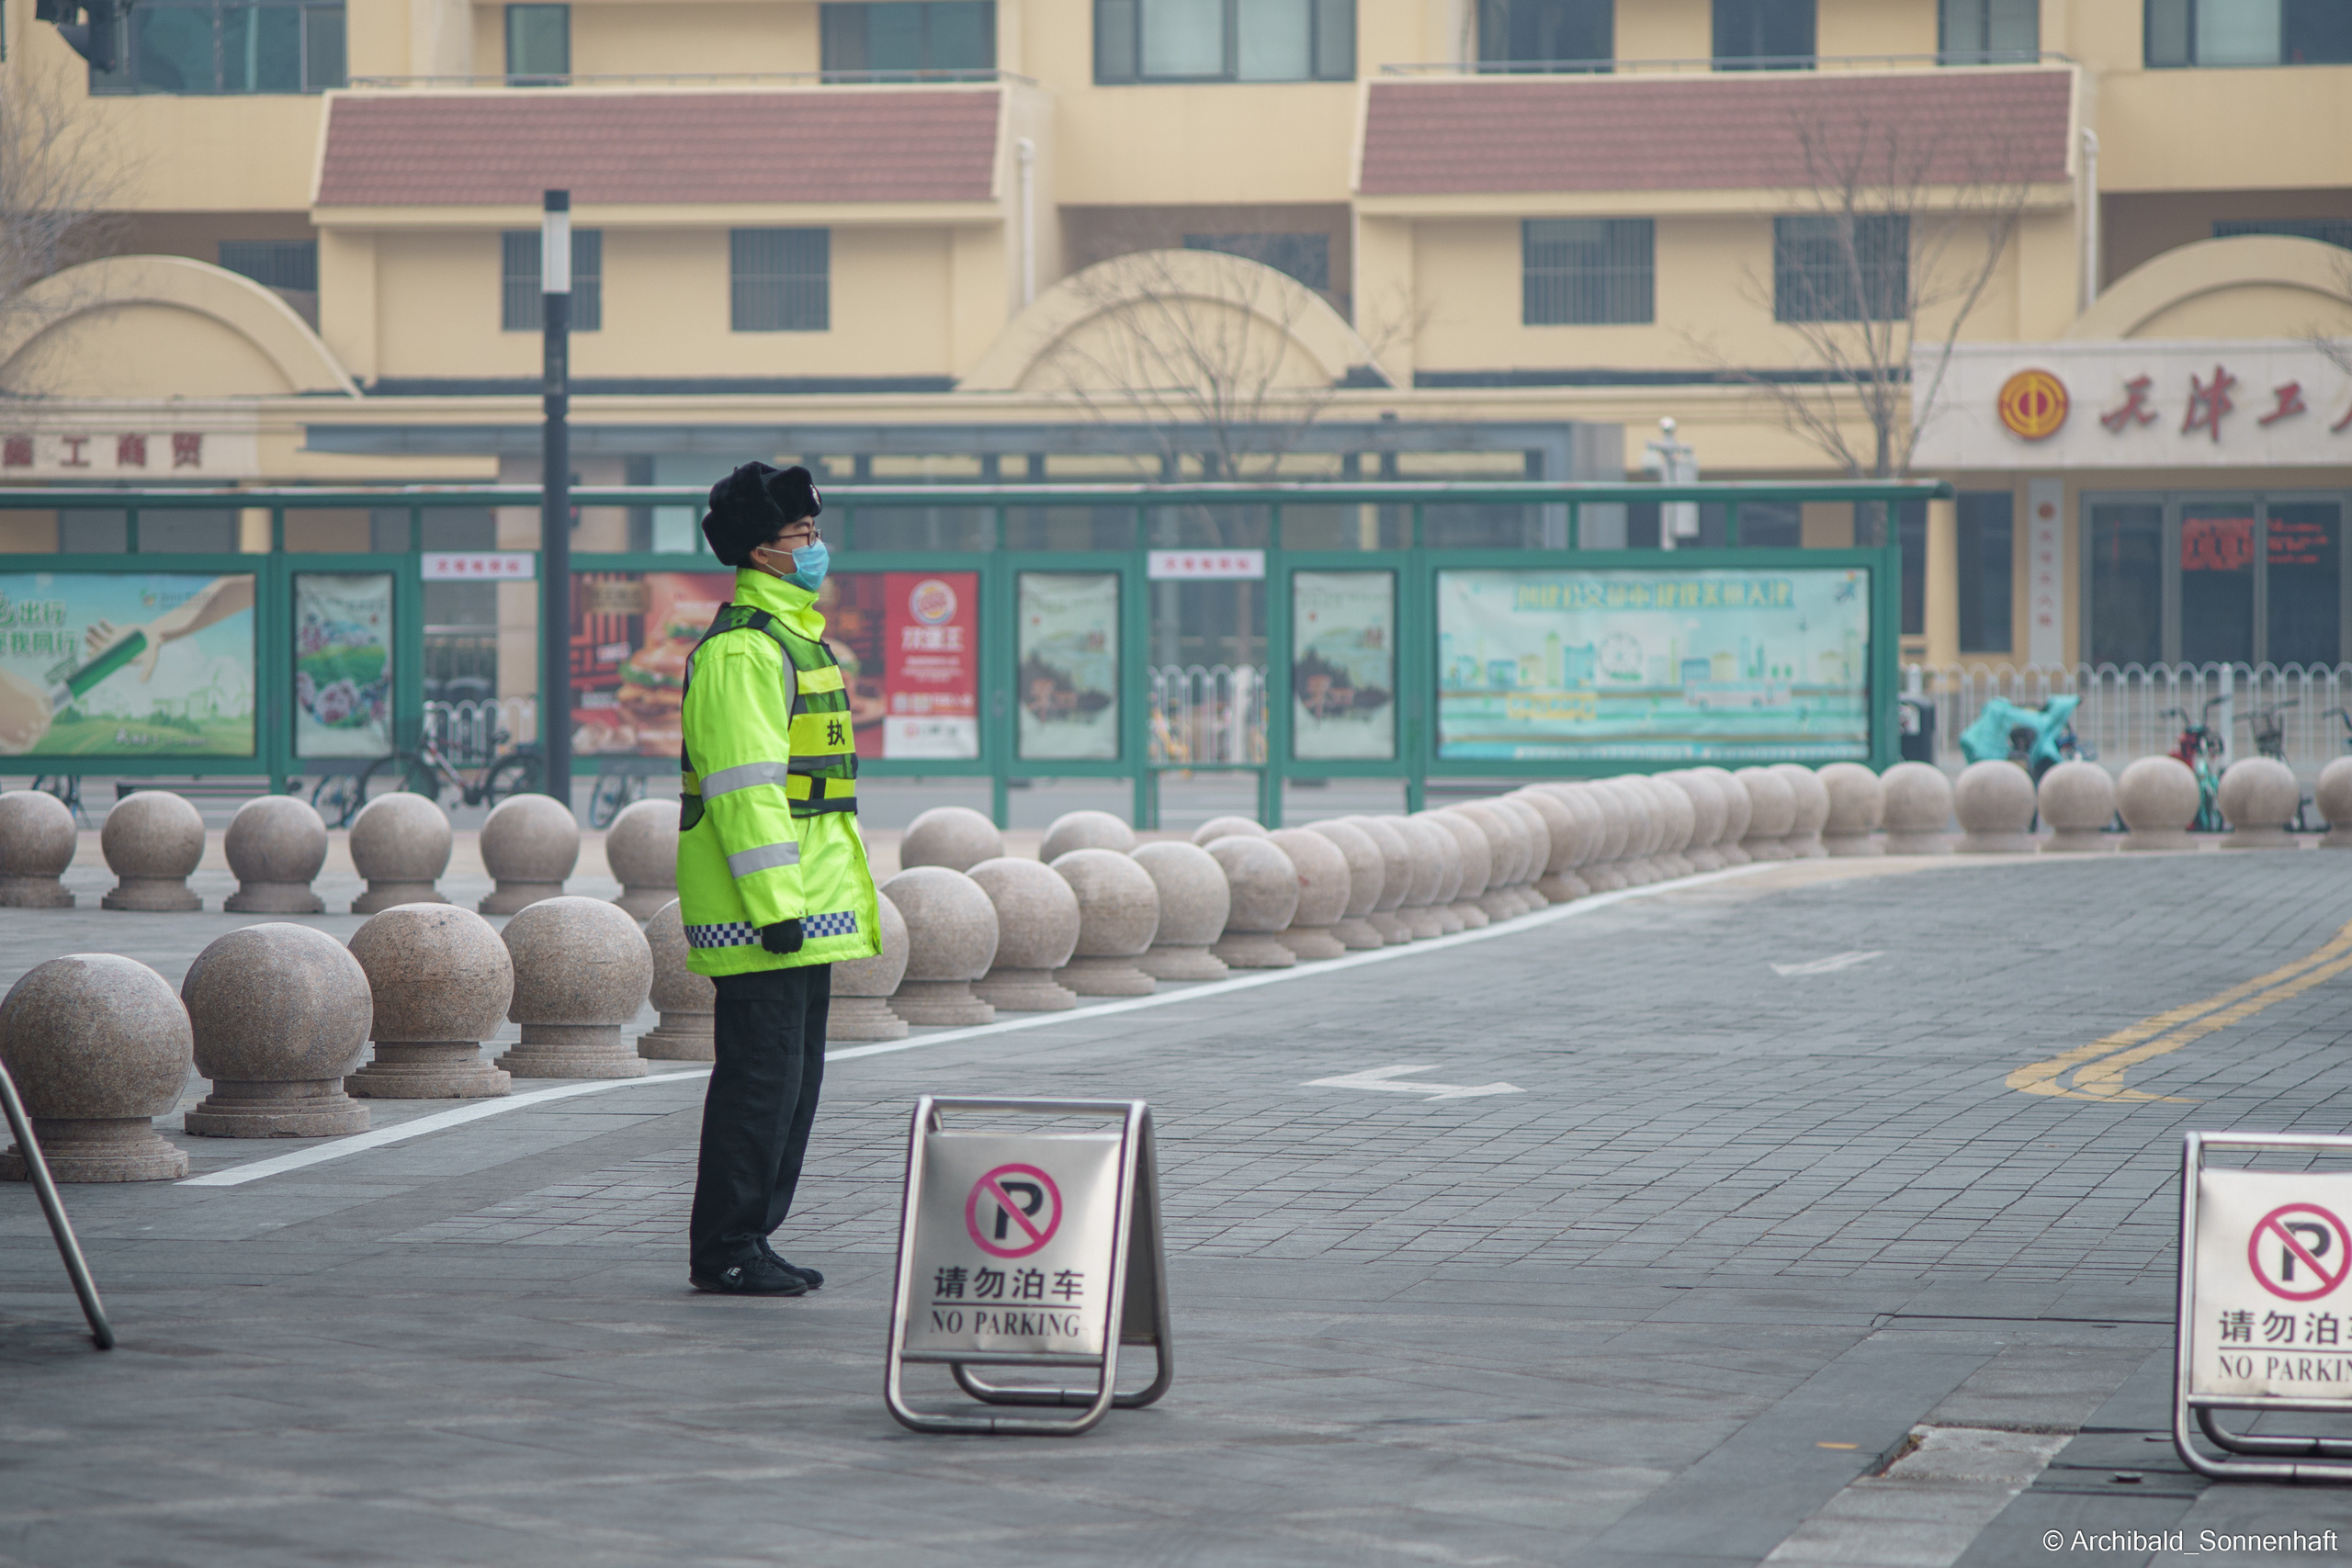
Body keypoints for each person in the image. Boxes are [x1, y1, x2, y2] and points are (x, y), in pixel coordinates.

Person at [677, 462, 881, 1295]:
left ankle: (751, 1235)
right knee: (759, 1089)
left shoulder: (792, 636)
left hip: (803, 914)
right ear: (761, 552)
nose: (816, 549)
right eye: (802, 538)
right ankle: (725, 1244)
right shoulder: (742, 651)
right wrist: (775, 909)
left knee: (791, 1090)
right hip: (766, 919)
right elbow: (745, 792)